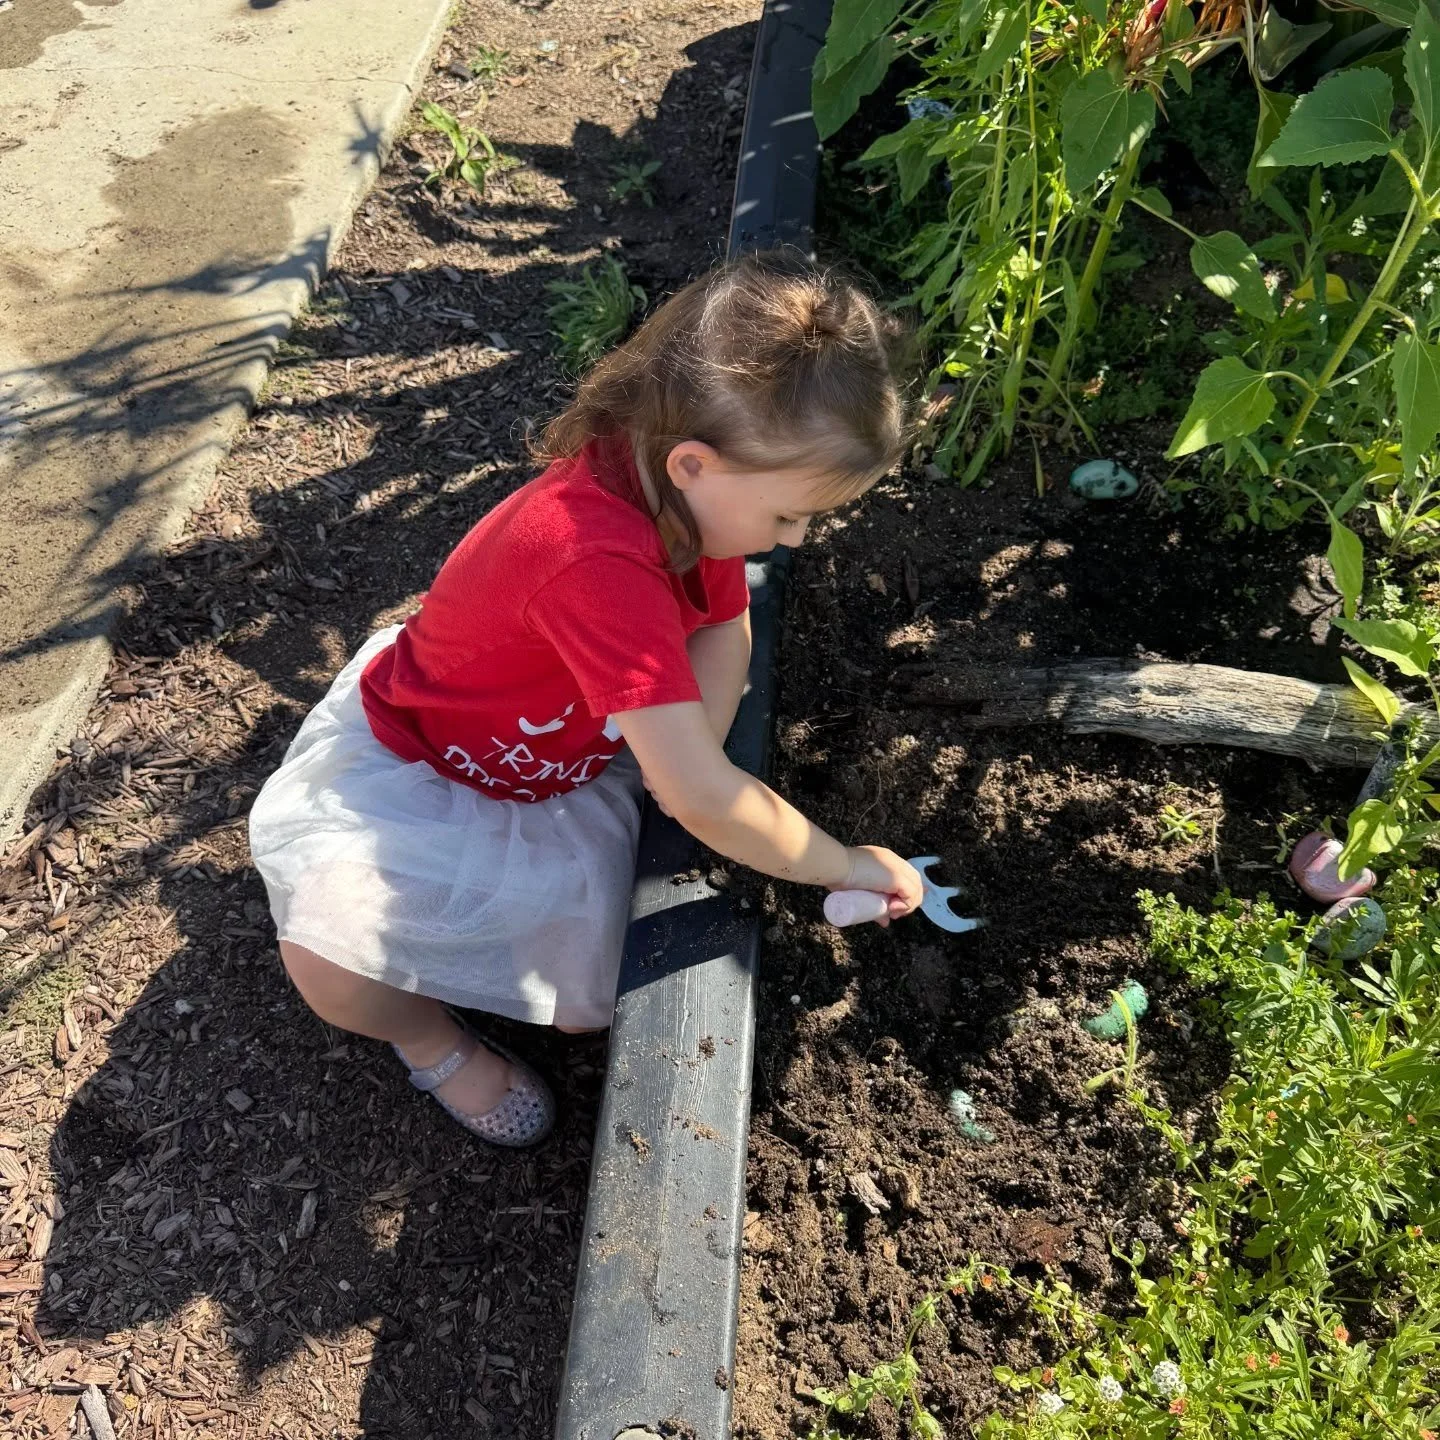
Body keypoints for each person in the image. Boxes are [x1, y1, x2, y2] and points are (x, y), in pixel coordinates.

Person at [248, 252, 924, 1149]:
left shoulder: (687, 492)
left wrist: (696, 758)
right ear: (694, 462)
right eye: (789, 518)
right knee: (332, 966)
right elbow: (699, 794)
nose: (793, 541)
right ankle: (429, 1039)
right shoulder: (592, 561)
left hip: (563, 759)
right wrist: (844, 864)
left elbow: (727, 629)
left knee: (588, 990)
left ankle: (518, 962)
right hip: (431, 769)